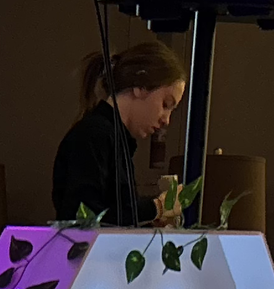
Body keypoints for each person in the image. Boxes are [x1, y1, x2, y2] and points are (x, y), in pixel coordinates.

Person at [52, 40, 186, 229]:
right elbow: (86, 216)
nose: (167, 120)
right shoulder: (94, 135)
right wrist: (157, 207)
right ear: (140, 86)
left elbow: (113, 216)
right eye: (165, 104)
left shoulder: (112, 137)